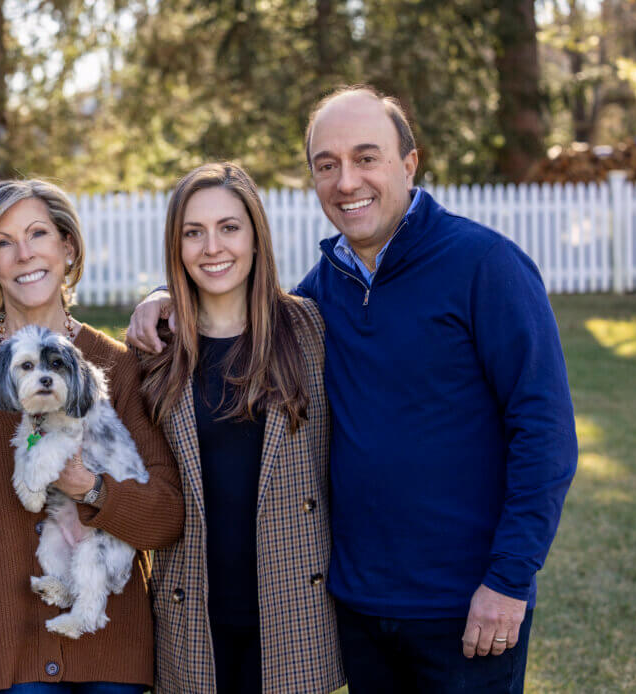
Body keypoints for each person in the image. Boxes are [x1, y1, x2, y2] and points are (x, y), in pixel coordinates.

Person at [128, 86, 578, 693]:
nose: (347, 181)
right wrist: (164, 299)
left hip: (465, 604)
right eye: (327, 164)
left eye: (367, 158)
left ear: (409, 162)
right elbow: (236, 299)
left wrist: (508, 581)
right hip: (357, 608)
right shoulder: (322, 295)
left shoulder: (484, 266)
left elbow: (545, 434)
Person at [0, 179, 185, 694]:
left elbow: (166, 513)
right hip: (2, 649)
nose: (24, 254)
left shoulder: (118, 366)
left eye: (39, 234)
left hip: (111, 648)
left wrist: (90, 489)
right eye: (3, 242)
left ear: (67, 246)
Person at [137, 162, 345, 693]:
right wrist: (161, 299)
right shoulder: (156, 352)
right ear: (176, 246)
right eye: (193, 232)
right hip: (192, 614)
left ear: (256, 236)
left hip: (293, 610)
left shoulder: (310, 330)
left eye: (229, 227)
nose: (212, 247)